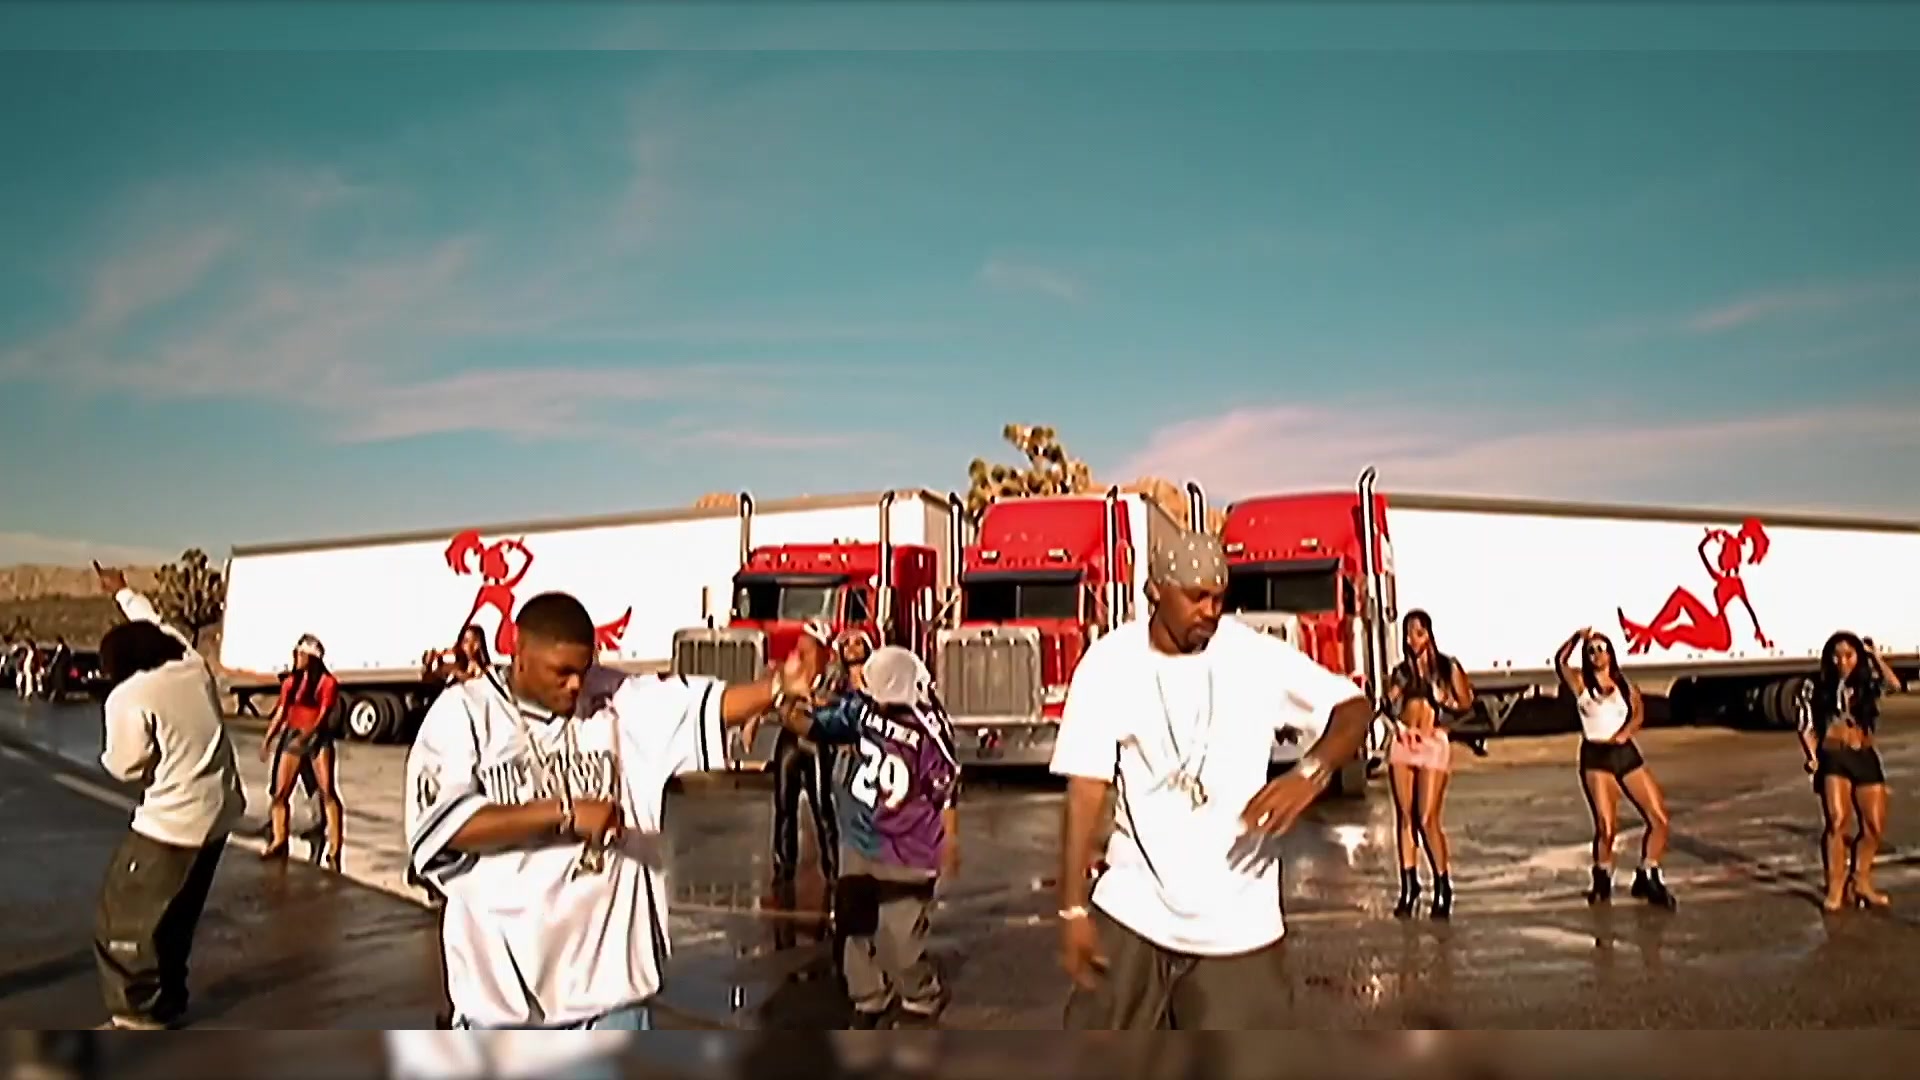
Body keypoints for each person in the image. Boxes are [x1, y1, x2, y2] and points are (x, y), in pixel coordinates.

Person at [399, 591, 820, 1048]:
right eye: (562, 671)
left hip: (611, 1005)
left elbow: (706, 706)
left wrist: (779, 686)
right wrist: (563, 813)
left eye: (583, 670)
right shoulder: (464, 714)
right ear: (519, 654)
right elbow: (445, 827)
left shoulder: (616, 701)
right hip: (502, 1011)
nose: (575, 685)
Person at [1049, 530, 1373, 1037]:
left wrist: (1311, 772)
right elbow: (1085, 789)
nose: (1210, 611)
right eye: (1196, 596)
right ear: (1156, 590)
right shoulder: (1109, 664)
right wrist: (1072, 906)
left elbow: (1353, 708)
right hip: (1134, 910)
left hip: (1239, 925)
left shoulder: (1255, 657)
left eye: (1219, 598)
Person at [89, 563, 245, 1029]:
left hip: (172, 826)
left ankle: (136, 1017)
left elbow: (126, 766)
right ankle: (170, 1000)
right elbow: (156, 624)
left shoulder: (128, 697)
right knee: (177, 917)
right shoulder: (190, 665)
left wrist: (113, 752)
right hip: (220, 813)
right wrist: (123, 592)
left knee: (122, 921)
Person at [774, 645, 960, 1028]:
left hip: (908, 846)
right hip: (858, 836)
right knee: (854, 929)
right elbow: (812, 726)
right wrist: (786, 702)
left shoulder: (929, 726)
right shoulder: (860, 710)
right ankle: (869, 997)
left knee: (900, 940)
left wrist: (949, 840)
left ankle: (921, 994)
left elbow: (946, 786)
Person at [1555, 627, 1675, 909]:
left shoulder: (1624, 685)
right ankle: (1602, 877)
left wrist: (1627, 732)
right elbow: (1560, 662)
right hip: (1596, 756)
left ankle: (1648, 873)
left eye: (1602, 649)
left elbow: (1639, 713)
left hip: (1624, 753)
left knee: (1658, 819)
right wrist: (1576, 639)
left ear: (1610, 654)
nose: (1597, 655)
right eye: (1591, 651)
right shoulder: (1581, 685)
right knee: (1606, 827)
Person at [1384, 609, 1474, 920]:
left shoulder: (1446, 667)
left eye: (1418, 633)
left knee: (1426, 817)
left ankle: (1443, 884)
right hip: (1405, 740)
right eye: (1408, 634)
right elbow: (1389, 703)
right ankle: (1409, 886)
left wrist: (1445, 703)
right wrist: (1392, 709)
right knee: (1405, 817)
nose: (1412, 640)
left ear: (1429, 635)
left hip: (1432, 742)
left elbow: (1467, 704)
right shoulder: (1402, 672)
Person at [1796, 631, 1893, 912]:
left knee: (1873, 825)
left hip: (1864, 755)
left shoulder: (1867, 682)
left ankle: (1860, 880)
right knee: (1837, 822)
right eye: (1836, 656)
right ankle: (1835, 887)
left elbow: (1894, 685)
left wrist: (1875, 657)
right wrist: (1812, 757)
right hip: (1833, 755)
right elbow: (1805, 725)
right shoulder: (1815, 685)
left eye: (1849, 656)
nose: (1842, 662)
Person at [766, 622, 850, 900]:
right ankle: (783, 867)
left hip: (816, 740)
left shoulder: (834, 675)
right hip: (791, 738)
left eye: (808, 649)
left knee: (821, 805)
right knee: (784, 804)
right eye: (800, 647)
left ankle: (833, 870)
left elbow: (839, 704)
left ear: (822, 651)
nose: (801, 653)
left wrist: (818, 703)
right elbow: (776, 698)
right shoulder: (792, 671)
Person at [259, 635, 344, 868]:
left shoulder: (327, 683)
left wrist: (309, 735)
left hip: (317, 737)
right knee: (280, 793)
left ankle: (335, 848)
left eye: (301, 655)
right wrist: (268, 739)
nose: (297, 658)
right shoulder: (291, 682)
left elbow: (324, 714)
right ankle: (279, 840)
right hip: (294, 735)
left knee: (327, 791)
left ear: (312, 658)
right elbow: (281, 712)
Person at [422, 624, 495, 687]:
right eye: (440, 661)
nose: (463, 646)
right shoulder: (454, 685)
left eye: (465, 641)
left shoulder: (491, 673)